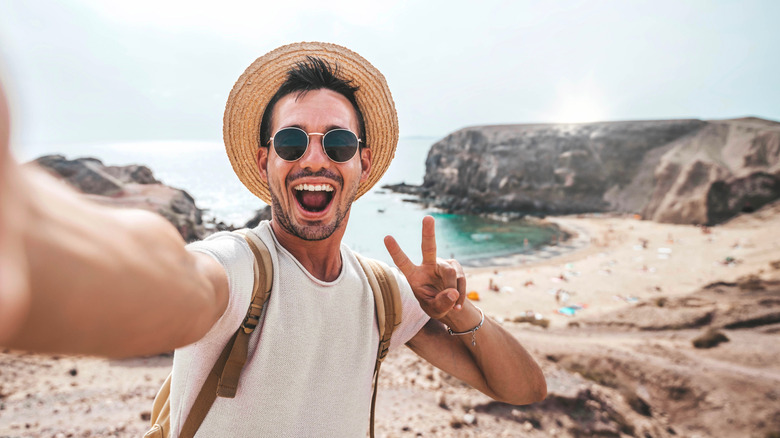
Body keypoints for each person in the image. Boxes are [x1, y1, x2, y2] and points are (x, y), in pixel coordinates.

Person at [0, 42, 546, 436]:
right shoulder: (237, 267)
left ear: (363, 161)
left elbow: (525, 390)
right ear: (265, 160)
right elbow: (177, 284)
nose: (313, 158)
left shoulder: (385, 295)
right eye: (290, 141)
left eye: (336, 142)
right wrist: (31, 249)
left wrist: (456, 314)